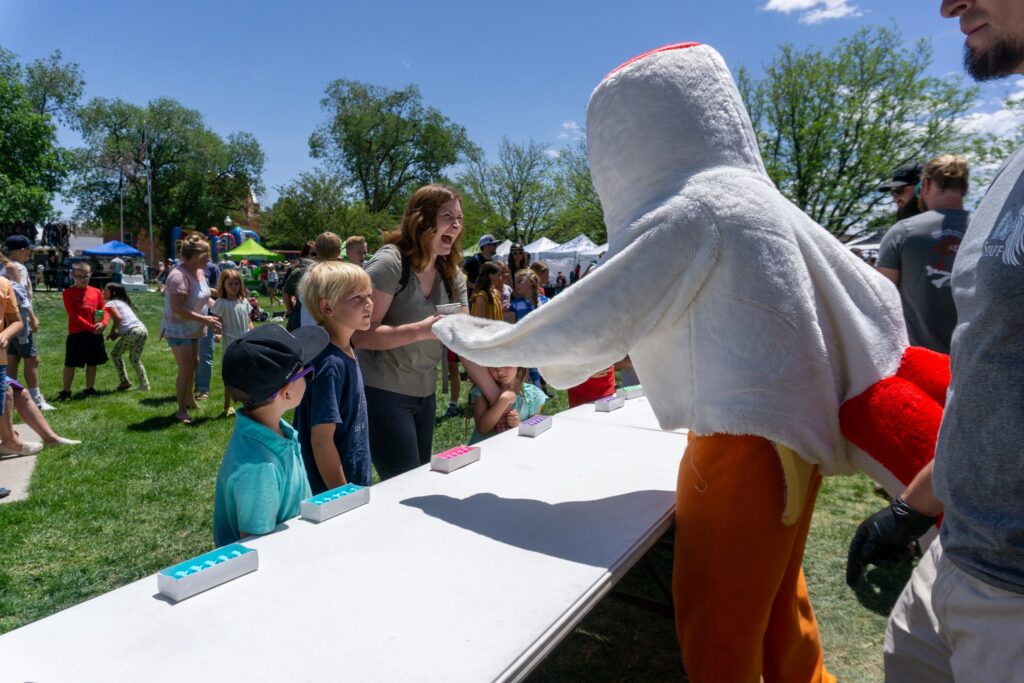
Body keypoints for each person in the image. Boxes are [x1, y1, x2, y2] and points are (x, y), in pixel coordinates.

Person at [846, 2, 1024, 679]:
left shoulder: (903, 232)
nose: (947, 4)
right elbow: (990, 368)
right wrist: (914, 503)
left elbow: (878, 303)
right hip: (951, 551)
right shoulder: (1008, 174)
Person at [352, 184, 470, 480]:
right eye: (447, 216)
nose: (456, 225)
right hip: (383, 393)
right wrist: (420, 330)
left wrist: (501, 389)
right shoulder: (390, 263)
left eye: (459, 218)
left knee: (417, 480)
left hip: (425, 395)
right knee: (405, 486)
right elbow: (360, 335)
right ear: (423, 218)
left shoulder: (452, 273)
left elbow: (466, 333)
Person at [212, 324, 329, 547]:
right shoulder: (260, 467)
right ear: (286, 392)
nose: (309, 377)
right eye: (306, 372)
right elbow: (259, 546)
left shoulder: (277, 432)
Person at [876, 155, 969, 354]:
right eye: (892, 193)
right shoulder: (986, 228)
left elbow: (880, 297)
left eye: (900, 190)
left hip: (923, 362)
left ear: (923, 187)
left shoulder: (903, 232)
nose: (895, 198)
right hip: (976, 363)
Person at [294, 261, 373, 492]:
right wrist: (343, 494)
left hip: (354, 480)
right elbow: (321, 441)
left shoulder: (346, 351)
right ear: (327, 308)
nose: (369, 303)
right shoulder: (330, 365)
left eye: (369, 295)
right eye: (357, 298)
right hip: (334, 492)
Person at [161, 235, 221, 424]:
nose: (209, 259)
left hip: (194, 327)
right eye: (207, 254)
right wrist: (206, 319)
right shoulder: (178, 276)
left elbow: (204, 297)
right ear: (195, 255)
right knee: (186, 367)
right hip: (178, 329)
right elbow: (178, 309)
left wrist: (223, 310)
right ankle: (181, 410)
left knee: (194, 363)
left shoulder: (199, 272)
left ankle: (189, 398)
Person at [3, 236, 52, 411]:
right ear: (20, 250)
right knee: (32, 359)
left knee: (11, 359)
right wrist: (32, 317)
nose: (29, 253)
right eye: (28, 249)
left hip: (5, 321)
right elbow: (20, 296)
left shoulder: (2, 267)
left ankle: (9, 398)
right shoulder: (17, 267)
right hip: (19, 320)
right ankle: (36, 399)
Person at [58, 262, 108, 400]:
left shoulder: (96, 292)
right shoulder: (68, 293)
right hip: (77, 333)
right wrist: (91, 327)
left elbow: (103, 309)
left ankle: (89, 388)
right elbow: (74, 315)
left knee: (92, 362)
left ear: (90, 274)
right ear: (72, 276)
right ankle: (66, 391)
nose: (83, 279)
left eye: (85, 276)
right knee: (70, 363)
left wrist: (103, 323)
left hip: (95, 333)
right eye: (79, 276)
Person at [0, 270, 36, 456]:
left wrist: (4, 335)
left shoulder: (4, 285)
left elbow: (16, 321)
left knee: (6, 392)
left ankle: (9, 441)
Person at [211, 269, 253, 417]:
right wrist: (217, 334)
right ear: (223, 284)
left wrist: (253, 334)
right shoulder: (221, 303)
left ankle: (247, 404)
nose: (234, 286)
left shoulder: (244, 301)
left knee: (246, 374)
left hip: (245, 341)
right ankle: (227, 406)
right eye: (230, 283)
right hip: (230, 343)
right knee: (230, 375)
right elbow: (218, 323)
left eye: (236, 283)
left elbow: (248, 321)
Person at [468, 366, 547, 444]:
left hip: (513, 451)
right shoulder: (482, 391)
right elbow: (482, 429)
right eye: (493, 366)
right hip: (486, 451)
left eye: (505, 364)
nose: (500, 371)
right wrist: (502, 401)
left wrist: (518, 425)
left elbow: (534, 431)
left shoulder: (533, 395)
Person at [103, 283, 149, 392]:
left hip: (133, 332)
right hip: (142, 330)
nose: (103, 292)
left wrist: (113, 331)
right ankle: (145, 385)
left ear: (112, 292)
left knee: (115, 354)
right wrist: (117, 334)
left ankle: (125, 381)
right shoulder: (122, 303)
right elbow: (127, 324)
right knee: (134, 359)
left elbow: (118, 318)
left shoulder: (111, 303)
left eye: (105, 290)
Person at [297, 232, 343, 328]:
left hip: (308, 330)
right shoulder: (343, 275)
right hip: (332, 334)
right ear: (339, 251)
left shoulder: (308, 274)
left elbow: (302, 299)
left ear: (316, 250)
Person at [193, 254, 222, 401]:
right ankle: (191, 386)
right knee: (191, 355)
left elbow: (219, 291)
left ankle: (203, 388)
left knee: (205, 353)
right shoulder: (186, 268)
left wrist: (202, 286)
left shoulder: (212, 268)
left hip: (208, 316)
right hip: (189, 316)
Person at [282, 240, 317, 331]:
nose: (317, 257)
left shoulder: (328, 272)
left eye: (319, 253)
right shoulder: (298, 273)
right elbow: (286, 294)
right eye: (313, 254)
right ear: (305, 256)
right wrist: (291, 312)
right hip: (300, 317)